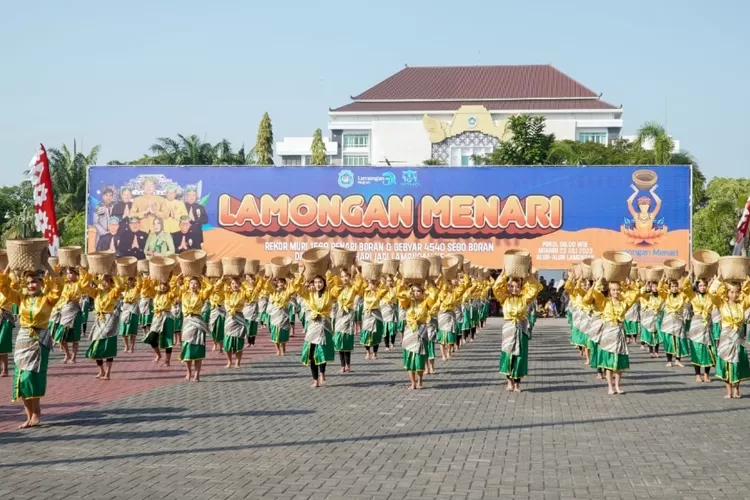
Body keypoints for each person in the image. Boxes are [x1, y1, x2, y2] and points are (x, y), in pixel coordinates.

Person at [2, 260, 62, 429]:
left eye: (34, 281)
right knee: (21, 378)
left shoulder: (48, 299)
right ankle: (29, 415)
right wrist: (9, 265)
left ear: (41, 282)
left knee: (32, 377)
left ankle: (36, 412)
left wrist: (47, 266)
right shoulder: (21, 298)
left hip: (39, 340)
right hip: (23, 340)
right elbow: (4, 287)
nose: (31, 285)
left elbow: (58, 286)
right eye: (28, 283)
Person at [585, 277, 641, 395]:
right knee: (609, 362)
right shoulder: (604, 302)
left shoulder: (624, 303)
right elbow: (593, 294)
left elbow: (636, 293)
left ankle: (617, 386)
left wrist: (628, 283)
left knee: (619, 362)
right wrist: (597, 282)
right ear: (610, 291)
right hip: (608, 333)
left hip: (619, 333)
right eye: (613, 290)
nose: (616, 292)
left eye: (618, 290)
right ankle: (610, 386)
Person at [492, 271, 543, 393]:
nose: (514, 289)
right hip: (509, 328)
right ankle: (509, 381)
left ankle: (517, 384)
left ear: (521, 287)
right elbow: (496, 287)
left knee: (520, 356)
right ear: (508, 287)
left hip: (521, 329)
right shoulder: (504, 298)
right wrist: (504, 274)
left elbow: (534, 288)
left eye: (517, 286)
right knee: (508, 355)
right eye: (512, 286)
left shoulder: (524, 298)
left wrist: (528, 275)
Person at [710, 278, 750, 399]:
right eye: (731, 292)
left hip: (738, 337)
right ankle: (728, 391)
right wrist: (718, 279)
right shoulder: (722, 304)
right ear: (727, 293)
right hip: (726, 337)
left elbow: (748, 295)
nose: (734, 294)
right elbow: (712, 293)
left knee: (737, 362)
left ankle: (737, 389)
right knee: (726, 362)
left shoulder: (741, 304)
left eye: (737, 292)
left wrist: (747, 279)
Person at [298, 273, 340, 387]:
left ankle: (322, 373)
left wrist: (331, 272)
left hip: (324, 324)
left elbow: (338, 286)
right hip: (313, 324)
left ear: (324, 283)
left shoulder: (329, 294)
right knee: (311, 353)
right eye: (316, 282)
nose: (318, 284)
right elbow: (299, 289)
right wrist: (302, 274)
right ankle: (315, 379)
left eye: (320, 282)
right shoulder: (310, 294)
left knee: (321, 351)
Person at [49, 267, 95, 364]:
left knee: (75, 338)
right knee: (60, 337)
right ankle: (67, 354)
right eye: (67, 273)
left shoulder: (79, 284)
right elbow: (55, 279)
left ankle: (73, 357)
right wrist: (56, 268)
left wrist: (80, 268)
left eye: (71, 273)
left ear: (75, 274)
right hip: (64, 311)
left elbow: (86, 279)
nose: (68, 275)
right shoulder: (64, 284)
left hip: (74, 311)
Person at [85, 273, 123, 380]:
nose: (104, 282)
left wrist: (115, 275)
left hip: (110, 319)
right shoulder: (97, 292)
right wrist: (89, 275)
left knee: (108, 345)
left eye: (107, 281)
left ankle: (108, 372)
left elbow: (119, 287)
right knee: (95, 346)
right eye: (103, 280)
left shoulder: (113, 292)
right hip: (99, 319)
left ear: (111, 283)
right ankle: (101, 370)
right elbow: (84, 287)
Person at [398, 281, 433, 390]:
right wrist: (405, 284)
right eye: (414, 291)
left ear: (423, 292)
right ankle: (412, 382)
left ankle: (420, 379)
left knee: (419, 358)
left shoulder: (426, 302)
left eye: (418, 291)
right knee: (409, 358)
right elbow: (400, 296)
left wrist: (430, 283)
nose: (416, 293)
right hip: (409, 332)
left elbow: (434, 297)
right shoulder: (408, 302)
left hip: (421, 331)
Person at [179, 276, 214, 382]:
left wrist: (203, 277)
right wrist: (181, 275)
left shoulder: (201, 295)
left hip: (197, 321)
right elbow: (174, 286)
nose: (193, 285)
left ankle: (197, 374)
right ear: (188, 284)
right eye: (191, 283)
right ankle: (188, 372)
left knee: (198, 348)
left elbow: (210, 287)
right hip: (187, 322)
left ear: (199, 285)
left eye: (196, 283)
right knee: (187, 347)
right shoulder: (184, 294)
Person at [685, 278, 717, 383]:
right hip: (696, 324)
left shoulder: (710, 297)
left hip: (707, 324)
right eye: (700, 286)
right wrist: (690, 275)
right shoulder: (693, 296)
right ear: (697, 287)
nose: (702, 287)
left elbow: (720, 292)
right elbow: (685, 288)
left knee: (708, 349)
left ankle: (707, 374)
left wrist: (717, 280)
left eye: (704, 285)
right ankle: (698, 375)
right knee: (697, 350)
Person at [658, 275, 693, 368]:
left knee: (679, 340)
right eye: (672, 286)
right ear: (669, 287)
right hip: (668, 320)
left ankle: (678, 360)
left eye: (676, 286)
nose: (674, 288)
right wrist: (662, 280)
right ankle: (669, 360)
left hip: (678, 320)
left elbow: (688, 290)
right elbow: (659, 289)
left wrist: (687, 277)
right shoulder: (666, 295)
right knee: (669, 341)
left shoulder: (682, 295)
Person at [333, 268, 362, 373]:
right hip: (340, 314)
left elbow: (359, 284)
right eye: (342, 276)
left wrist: (358, 272)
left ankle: (348, 364)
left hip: (349, 314)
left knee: (347, 339)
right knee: (339, 339)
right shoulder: (338, 288)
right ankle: (342, 365)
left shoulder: (353, 288)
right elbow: (332, 285)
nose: (344, 278)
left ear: (350, 277)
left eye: (346, 276)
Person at [143, 277, 175, 367]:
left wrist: (173, 280)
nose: (163, 286)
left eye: (165, 285)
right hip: (157, 317)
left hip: (167, 317)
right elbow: (146, 289)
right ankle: (158, 354)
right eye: (161, 284)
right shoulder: (155, 294)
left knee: (168, 339)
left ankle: (167, 360)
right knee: (152, 338)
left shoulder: (169, 294)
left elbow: (175, 292)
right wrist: (149, 280)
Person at [118, 275, 141, 353]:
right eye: (129, 280)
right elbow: (120, 283)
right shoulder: (125, 288)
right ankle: (126, 346)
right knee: (123, 330)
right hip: (125, 308)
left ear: (134, 280)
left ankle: (132, 347)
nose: (130, 281)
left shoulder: (137, 288)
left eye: (131, 279)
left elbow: (140, 283)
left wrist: (136, 273)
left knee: (132, 330)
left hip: (133, 308)